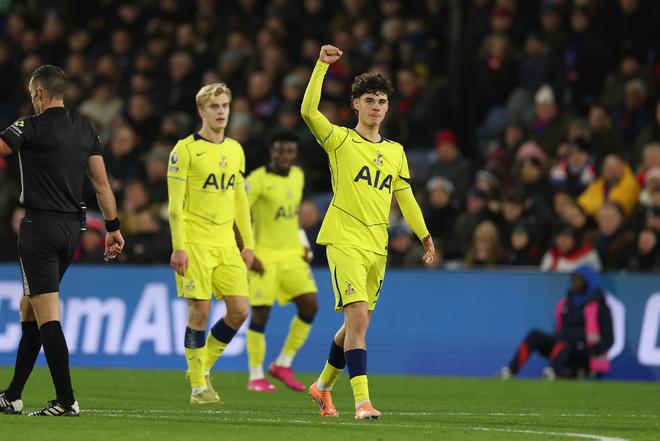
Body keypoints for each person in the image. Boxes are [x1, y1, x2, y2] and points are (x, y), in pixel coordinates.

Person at [301, 45, 435, 420]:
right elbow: (308, 111)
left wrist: (424, 235)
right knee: (358, 319)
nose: (376, 107)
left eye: (382, 101)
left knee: (356, 324)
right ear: (356, 105)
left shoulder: (395, 151)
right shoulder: (340, 141)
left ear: (388, 108)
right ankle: (362, 402)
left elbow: (404, 197)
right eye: (369, 100)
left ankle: (322, 386)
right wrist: (321, 67)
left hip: (378, 246)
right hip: (344, 239)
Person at [0, 65, 124, 416]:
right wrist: (113, 227)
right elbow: (101, 184)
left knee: (48, 316)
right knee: (30, 307)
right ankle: (12, 395)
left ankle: (66, 400)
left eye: (32, 94)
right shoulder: (86, 129)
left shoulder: (29, 126)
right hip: (72, 231)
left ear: (39, 93)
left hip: (39, 228)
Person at [167, 83, 254, 405]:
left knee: (239, 310)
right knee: (200, 312)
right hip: (195, 242)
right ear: (201, 111)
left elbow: (240, 200)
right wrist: (179, 246)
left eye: (225, 106)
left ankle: (201, 368)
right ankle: (198, 387)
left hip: (226, 244)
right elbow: (174, 206)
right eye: (214, 106)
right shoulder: (185, 150)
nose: (221, 112)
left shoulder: (235, 149)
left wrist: (248, 244)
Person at [244, 129, 319, 392]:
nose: (284, 155)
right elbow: (236, 214)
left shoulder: (298, 176)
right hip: (264, 255)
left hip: (292, 254)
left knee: (310, 305)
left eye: (289, 150)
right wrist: (247, 251)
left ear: (295, 153)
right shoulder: (257, 180)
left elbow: (294, 215)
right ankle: (255, 376)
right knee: (261, 314)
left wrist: (304, 244)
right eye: (279, 150)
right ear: (272, 151)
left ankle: (283, 363)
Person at [497, 265, 613, 380]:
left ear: (589, 282)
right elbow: (559, 328)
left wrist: (592, 351)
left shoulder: (600, 306)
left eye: (579, 280)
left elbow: (609, 338)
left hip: (584, 352)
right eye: (573, 279)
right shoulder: (566, 302)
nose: (575, 283)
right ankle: (511, 370)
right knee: (535, 335)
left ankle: (552, 371)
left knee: (565, 340)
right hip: (563, 347)